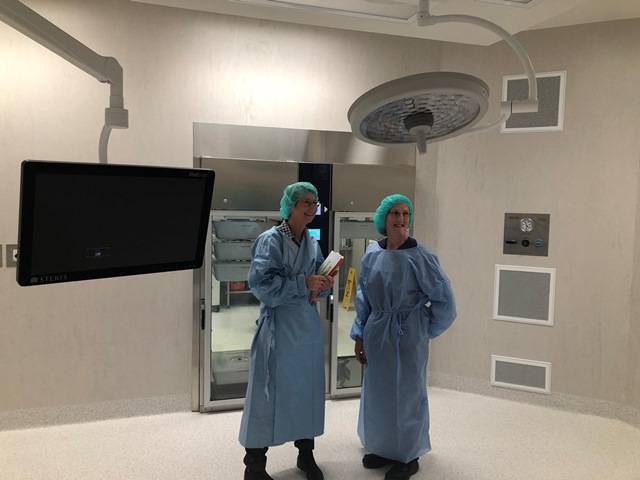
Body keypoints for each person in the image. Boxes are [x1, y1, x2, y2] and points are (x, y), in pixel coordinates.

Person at [350, 194, 457, 480]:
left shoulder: (420, 256)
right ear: (383, 219)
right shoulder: (373, 253)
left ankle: (409, 455)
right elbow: (364, 299)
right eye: (395, 214)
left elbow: (445, 301)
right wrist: (359, 335)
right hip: (376, 332)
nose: (401, 219)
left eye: (405, 214)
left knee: (407, 393)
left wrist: (422, 329)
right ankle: (383, 447)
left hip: (408, 333)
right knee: (379, 392)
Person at [239, 182, 335, 480]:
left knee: (306, 391)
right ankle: (254, 467)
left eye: (314, 202)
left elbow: (313, 284)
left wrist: (322, 285)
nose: (311, 208)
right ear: (290, 206)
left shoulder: (311, 242)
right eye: (305, 202)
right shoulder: (270, 240)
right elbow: (262, 288)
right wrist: (302, 283)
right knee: (267, 394)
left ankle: (306, 456)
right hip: (278, 329)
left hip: (306, 327)